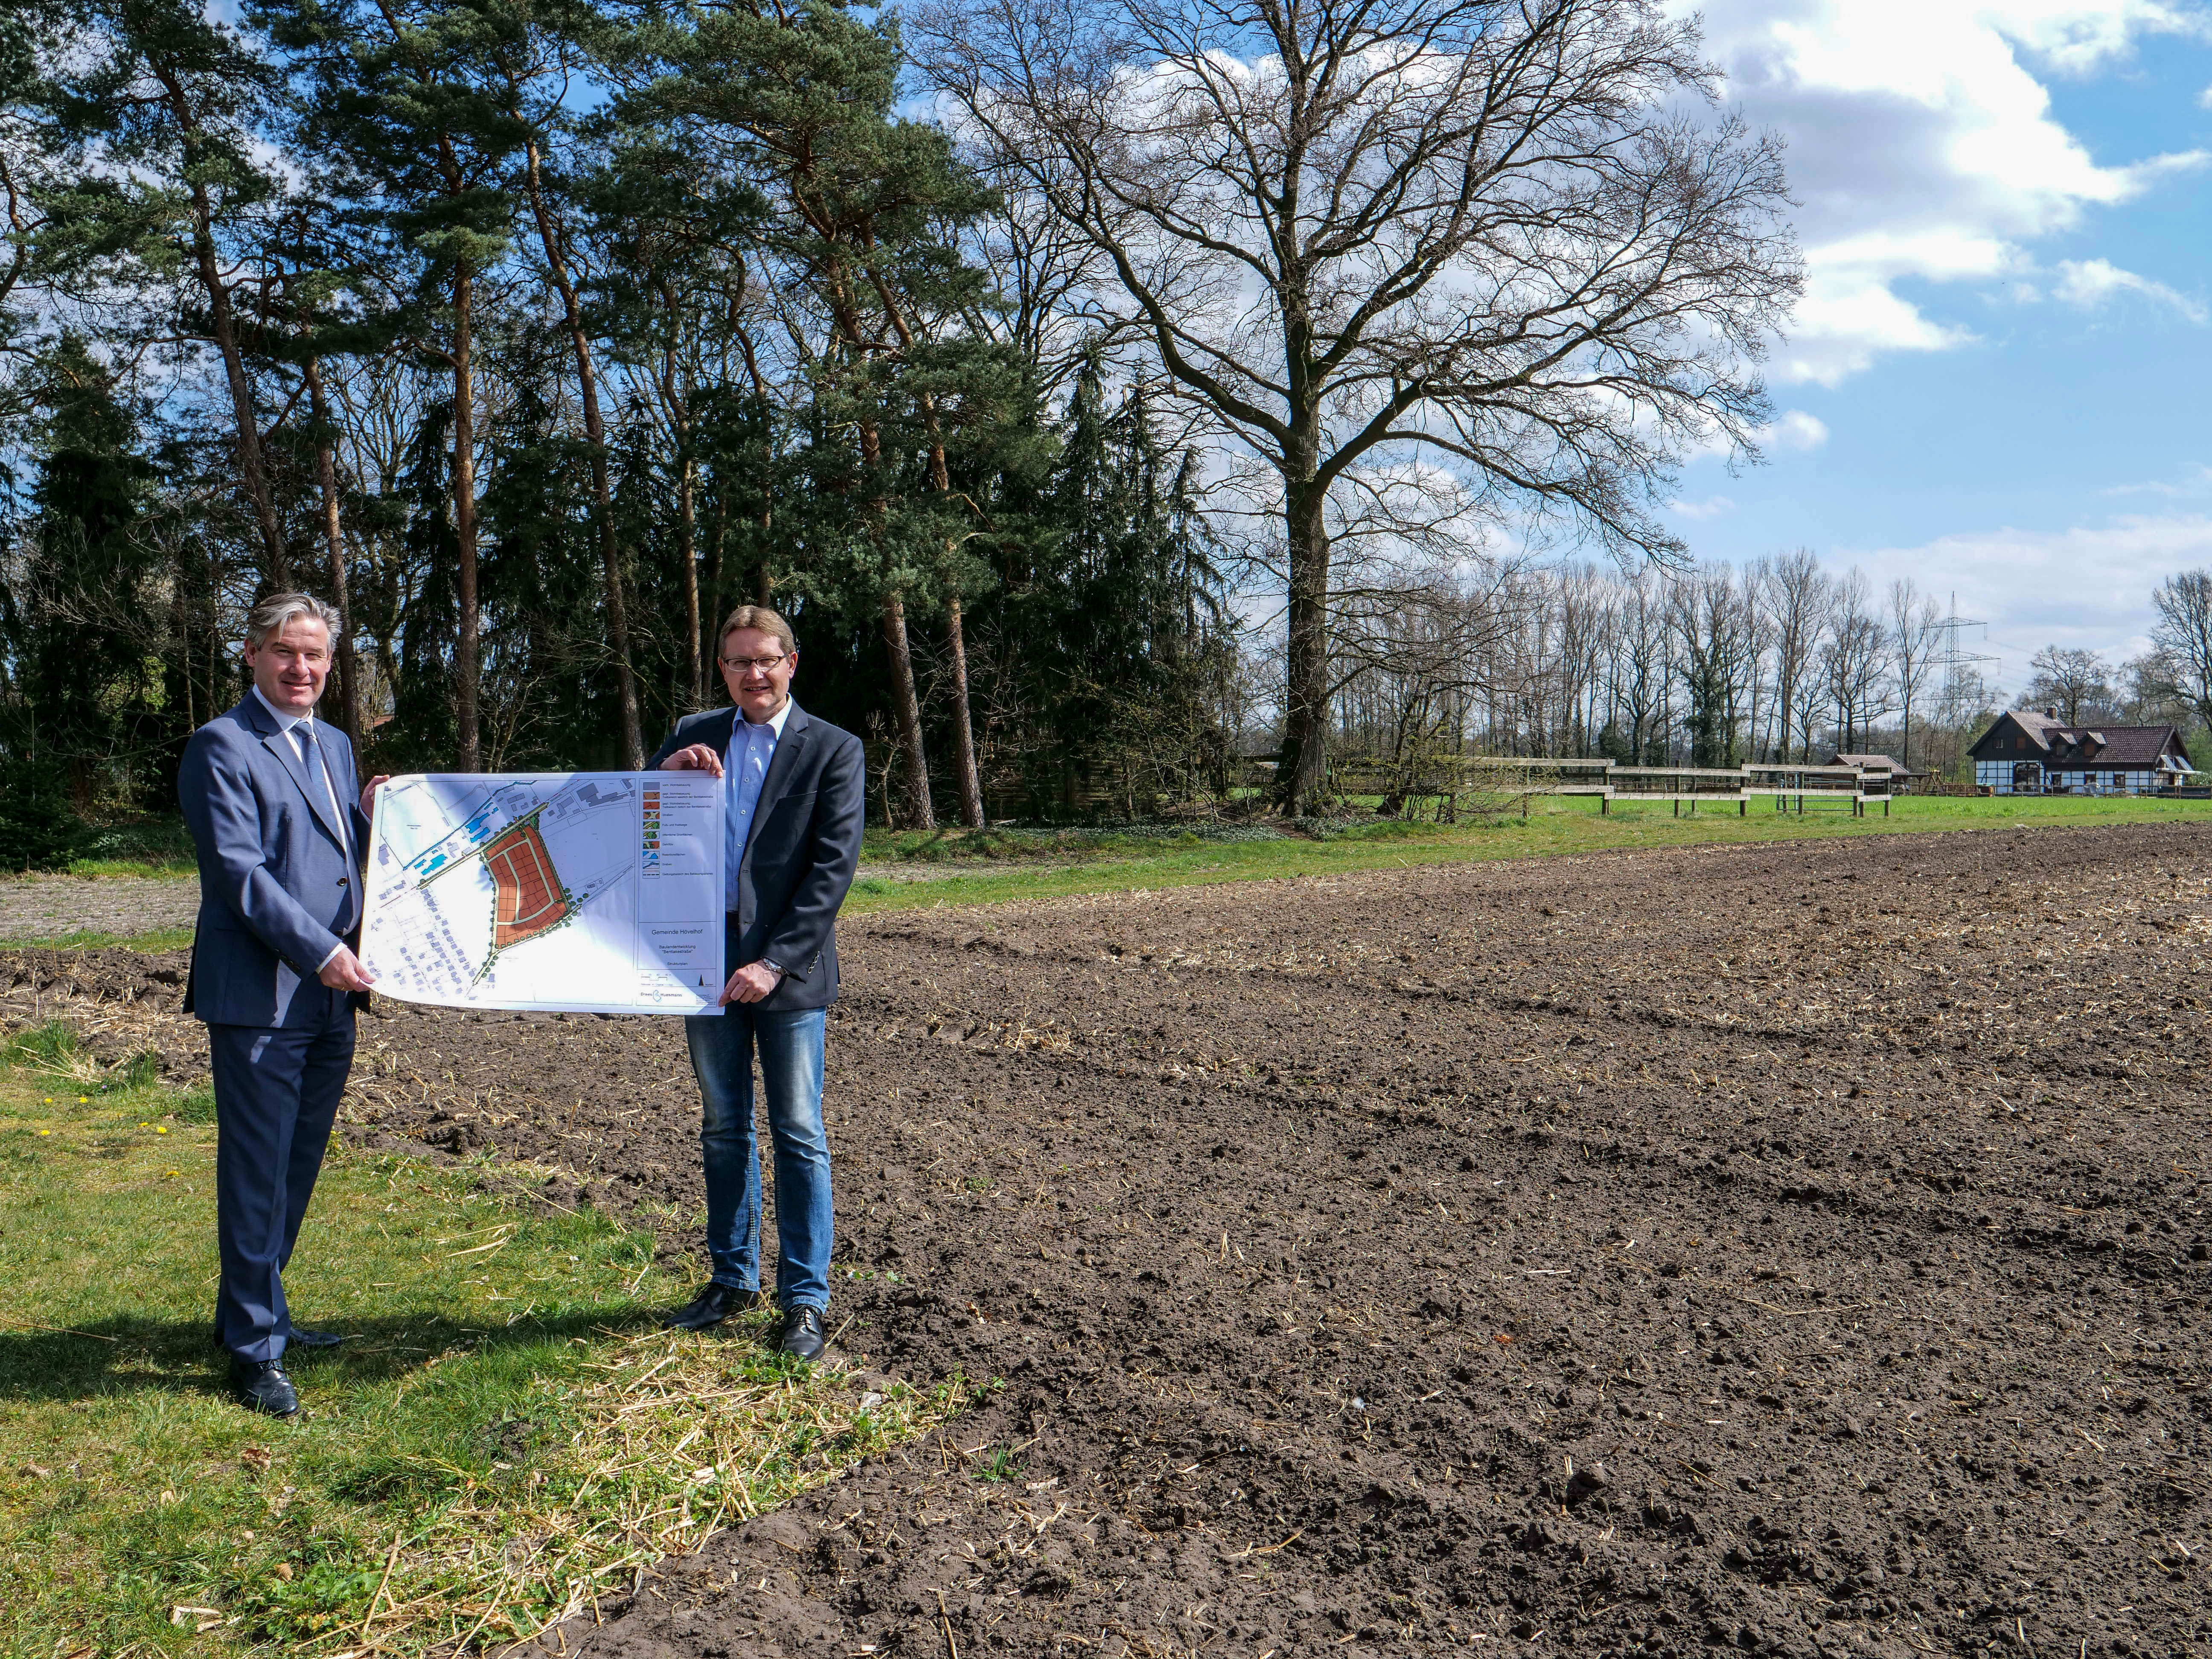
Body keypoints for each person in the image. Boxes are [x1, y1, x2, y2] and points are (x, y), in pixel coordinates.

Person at [179, 594, 385, 1416]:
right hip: (264, 993)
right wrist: (327, 952)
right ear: (253, 654)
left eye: (317, 657)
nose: (302, 670)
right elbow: (239, 875)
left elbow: (339, 856)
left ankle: (256, 1310)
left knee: (297, 1164)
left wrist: (381, 819)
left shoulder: (332, 743)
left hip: (333, 998)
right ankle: (255, 1349)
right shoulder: (220, 746)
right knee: (257, 1169)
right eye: (286, 653)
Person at [651, 604, 866, 1362]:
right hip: (705, 970)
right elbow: (643, 833)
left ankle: (804, 1302)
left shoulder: (833, 749)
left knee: (800, 1134)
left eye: (767, 660)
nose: (755, 675)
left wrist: (771, 962)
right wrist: (662, 779)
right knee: (722, 1128)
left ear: (792, 663)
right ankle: (731, 1280)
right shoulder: (690, 736)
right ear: (722, 669)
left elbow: (831, 871)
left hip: (789, 975)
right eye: (739, 662)